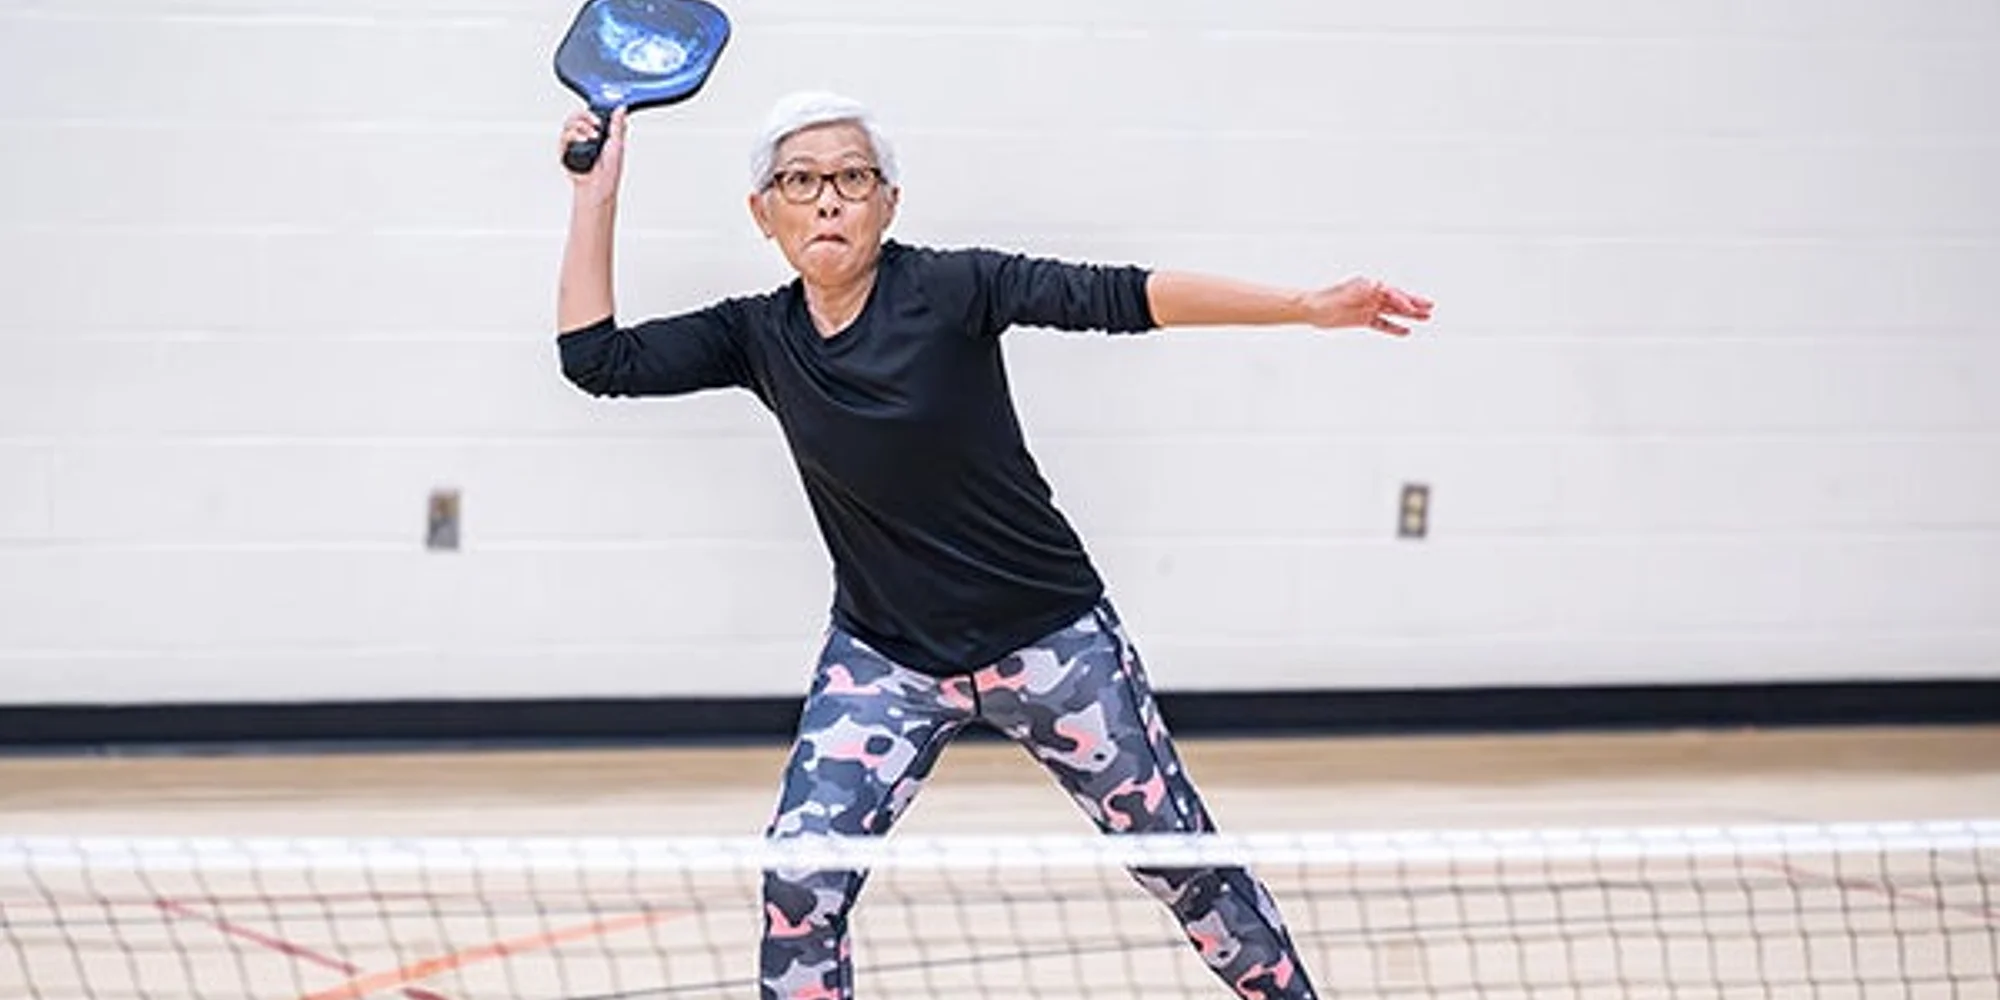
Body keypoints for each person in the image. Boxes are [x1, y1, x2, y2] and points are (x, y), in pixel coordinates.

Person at [553, 91, 1433, 1000]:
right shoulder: (757, 335)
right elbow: (596, 361)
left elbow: (1122, 296)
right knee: (799, 884)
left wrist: (1305, 307)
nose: (828, 200)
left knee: (1184, 867)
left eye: (852, 178)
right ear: (763, 212)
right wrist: (594, 196)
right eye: (801, 182)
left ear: (889, 202)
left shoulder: (954, 287)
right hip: (886, 661)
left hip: (1051, 643)